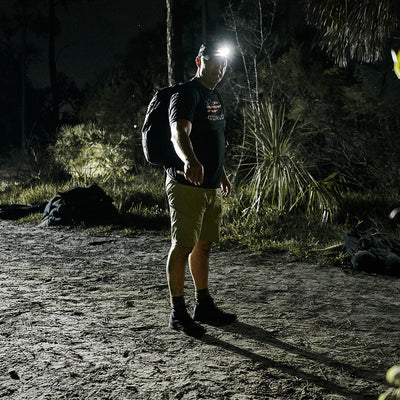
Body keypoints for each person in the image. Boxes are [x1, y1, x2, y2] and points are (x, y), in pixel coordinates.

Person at [165, 41, 237, 338]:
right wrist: (190, 160)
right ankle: (177, 312)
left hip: (211, 185)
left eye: (224, 64)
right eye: (215, 62)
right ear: (199, 61)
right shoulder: (187, 94)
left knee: (203, 245)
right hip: (187, 185)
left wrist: (222, 173)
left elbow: (213, 137)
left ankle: (203, 305)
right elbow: (178, 132)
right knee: (182, 246)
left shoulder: (214, 94)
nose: (221, 69)